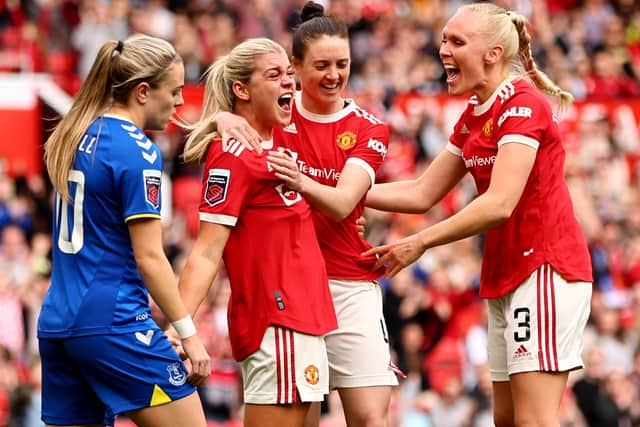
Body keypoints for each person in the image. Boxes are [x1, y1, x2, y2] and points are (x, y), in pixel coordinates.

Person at [362, 3, 593, 427]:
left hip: (542, 270)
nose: (443, 50)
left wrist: (420, 241)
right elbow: (421, 191)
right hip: (506, 274)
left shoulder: (523, 104)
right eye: (443, 40)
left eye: (456, 42)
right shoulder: (473, 114)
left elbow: (500, 202)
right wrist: (344, 195)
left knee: (534, 421)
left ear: (492, 53)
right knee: (505, 419)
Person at [214, 3, 399, 426]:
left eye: (343, 64)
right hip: (291, 289)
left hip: (348, 282)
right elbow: (225, 122)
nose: (334, 75)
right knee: (304, 419)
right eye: (321, 65)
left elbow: (341, 202)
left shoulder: (369, 126)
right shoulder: (276, 110)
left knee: (371, 418)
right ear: (294, 65)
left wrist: (302, 181)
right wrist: (220, 119)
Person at [38, 34, 210, 427]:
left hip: (58, 324)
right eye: (176, 91)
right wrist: (188, 333)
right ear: (143, 91)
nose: (181, 102)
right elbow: (149, 257)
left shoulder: (76, 134)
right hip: (112, 323)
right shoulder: (138, 150)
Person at [177, 38, 338, 427]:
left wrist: (217, 117)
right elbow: (206, 251)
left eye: (289, 74)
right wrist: (180, 326)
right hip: (278, 322)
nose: (290, 83)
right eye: (275, 75)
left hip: (307, 321)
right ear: (241, 89)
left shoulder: (279, 140)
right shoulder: (234, 155)